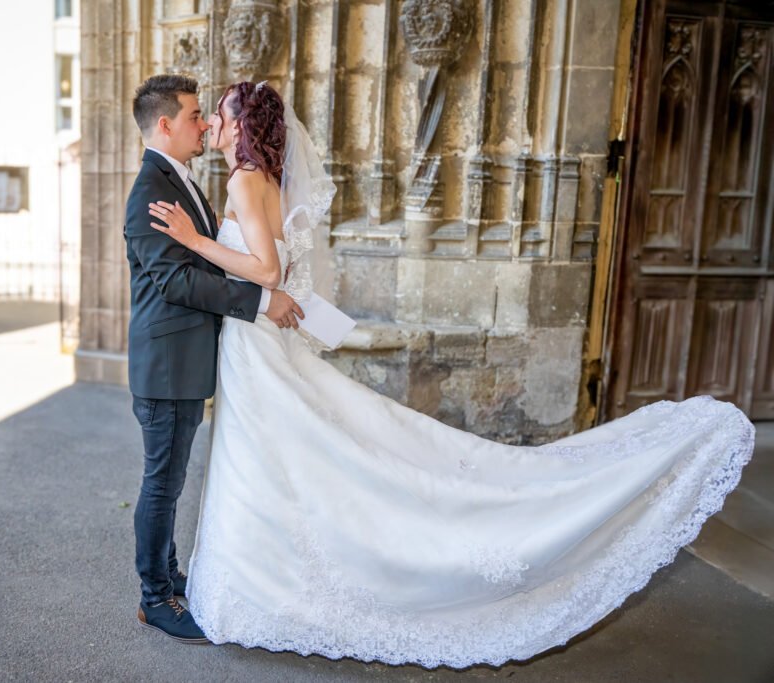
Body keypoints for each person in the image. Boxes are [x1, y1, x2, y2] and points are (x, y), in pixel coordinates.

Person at [146, 80, 756, 668]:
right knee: (274, 460)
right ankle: (252, 585)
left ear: (244, 124)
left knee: (269, 460)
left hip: (256, 347)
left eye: (220, 112)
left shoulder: (248, 180)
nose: (212, 123)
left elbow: (269, 272)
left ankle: (255, 592)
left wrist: (195, 242)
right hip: (257, 343)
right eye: (206, 115)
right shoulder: (262, 178)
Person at [123, 74, 305, 644]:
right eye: (196, 115)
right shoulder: (150, 191)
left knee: (170, 478)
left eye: (209, 115)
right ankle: (156, 597)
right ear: (165, 125)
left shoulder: (183, 180)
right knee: (162, 482)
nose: (204, 124)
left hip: (188, 357)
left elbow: (211, 261)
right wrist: (258, 301)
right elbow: (178, 280)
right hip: (166, 363)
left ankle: (169, 571)